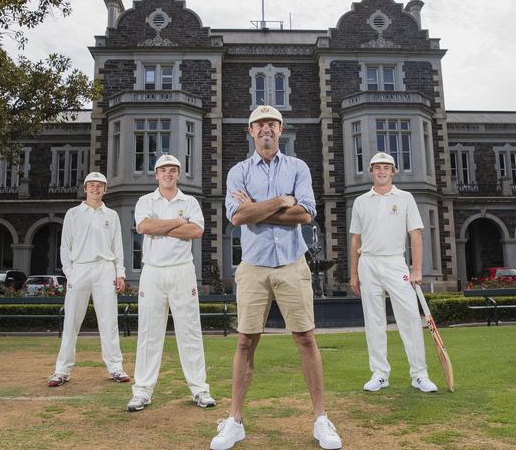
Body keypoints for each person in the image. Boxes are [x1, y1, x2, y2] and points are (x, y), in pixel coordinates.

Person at [211, 106, 342, 450]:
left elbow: (306, 213)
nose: (265, 129)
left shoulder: (298, 167)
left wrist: (258, 206)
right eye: (259, 124)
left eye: (271, 123)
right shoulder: (238, 171)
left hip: (291, 264)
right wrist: (280, 201)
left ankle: (320, 419)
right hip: (253, 266)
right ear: (250, 131)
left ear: (280, 130)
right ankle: (235, 421)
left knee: (305, 339)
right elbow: (237, 218)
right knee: (244, 342)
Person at [126, 154, 216, 412]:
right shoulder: (145, 201)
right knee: (148, 332)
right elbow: (144, 227)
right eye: (163, 170)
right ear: (156, 174)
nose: (168, 174)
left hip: (182, 271)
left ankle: (200, 390)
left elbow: (196, 231)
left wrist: (160, 226)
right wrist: (178, 221)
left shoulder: (190, 201)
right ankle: (142, 391)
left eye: (173, 170)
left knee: (189, 331)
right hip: (153, 271)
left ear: (178, 174)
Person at [349, 152, 438, 394]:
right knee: (374, 320)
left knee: (409, 317)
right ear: (371, 172)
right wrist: (354, 274)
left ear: (393, 171)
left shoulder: (406, 198)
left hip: (396, 263)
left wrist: (417, 268)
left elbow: (416, 235)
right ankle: (380, 374)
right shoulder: (360, 201)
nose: (381, 172)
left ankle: (419, 375)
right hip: (368, 263)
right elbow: (355, 240)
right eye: (377, 168)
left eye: (386, 168)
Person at [48, 171, 130, 387]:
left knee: (109, 321)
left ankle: (115, 367)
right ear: (85, 189)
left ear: (105, 189)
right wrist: (70, 272)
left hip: (105, 269)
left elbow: (117, 247)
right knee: (71, 321)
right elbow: (65, 246)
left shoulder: (111, 215)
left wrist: (119, 273)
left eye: (100, 185)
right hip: (80, 269)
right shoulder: (73, 214)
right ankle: (61, 370)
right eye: (91, 185)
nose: (95, 188)